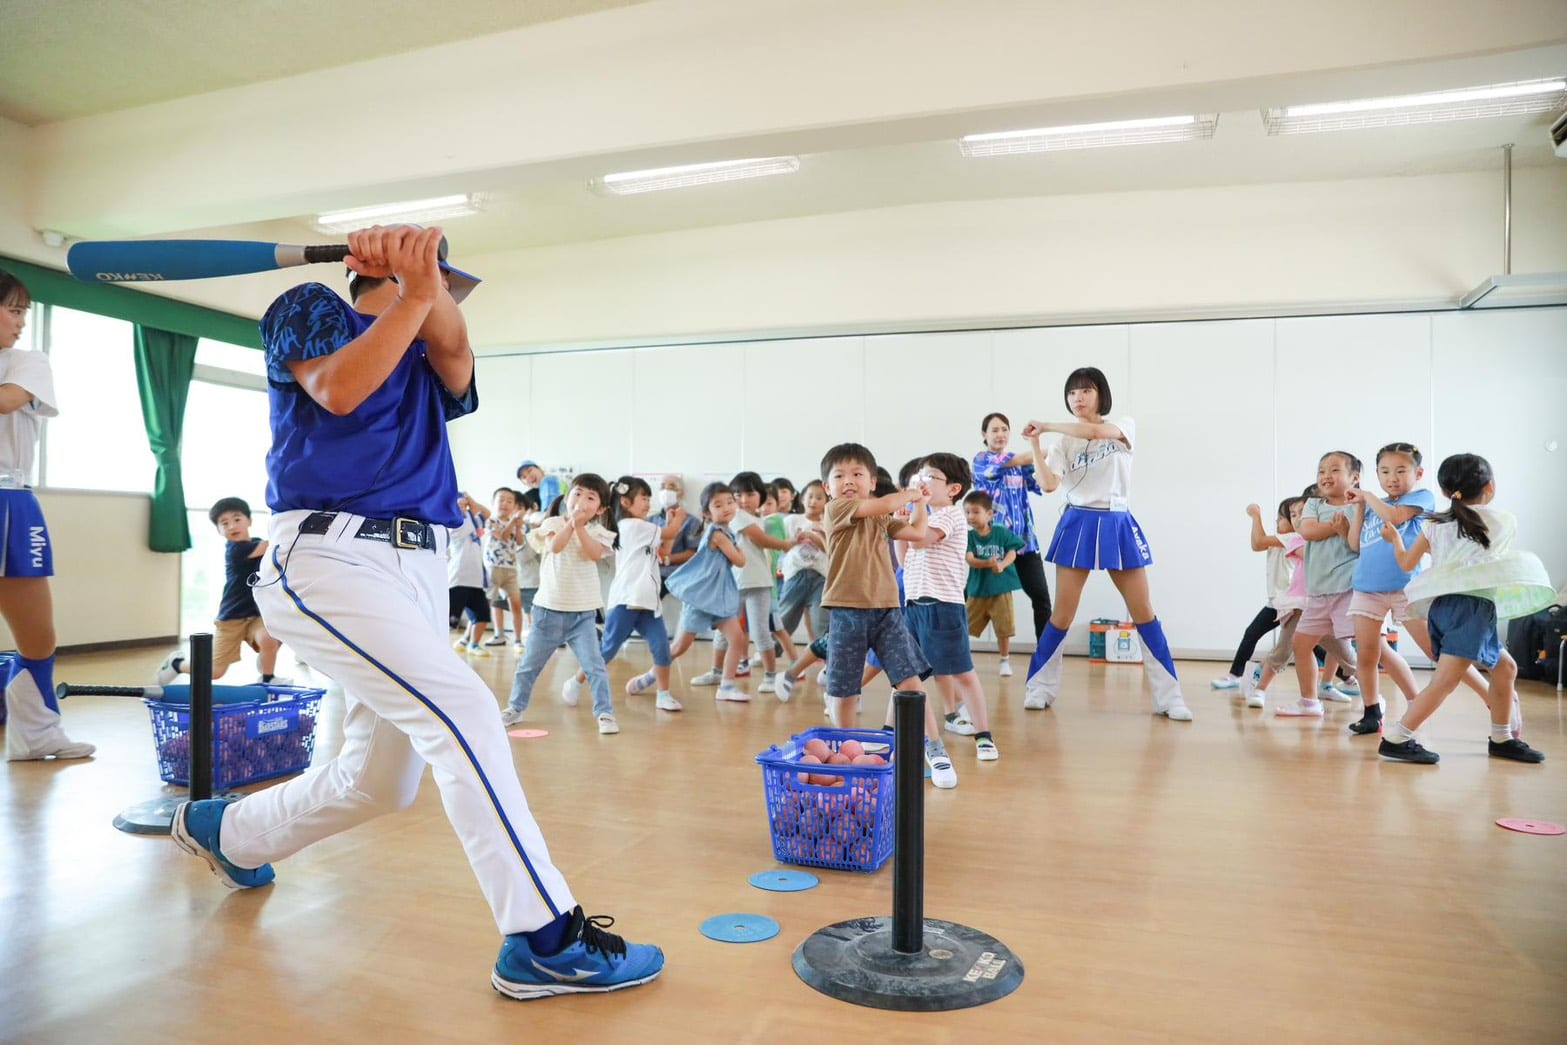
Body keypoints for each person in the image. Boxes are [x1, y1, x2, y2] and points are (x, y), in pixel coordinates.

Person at [169, 226, 662, 999]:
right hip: (331, 555)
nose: (445, 309)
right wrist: (413, 288)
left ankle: (228, 832)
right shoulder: (311, 305)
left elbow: (457, 353)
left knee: (380, 779)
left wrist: (420, 292)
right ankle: (543, 935)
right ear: (385, 282)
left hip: (419, 569)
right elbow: (337, 388)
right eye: (437, 290)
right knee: (464, 709)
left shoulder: (428, 357)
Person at [1020, 368, 1192, 721]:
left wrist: (1048, 425)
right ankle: (1039, 688)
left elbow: (1097, 431)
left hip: (1117, 520)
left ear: (1100, 394)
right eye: (1072, 393)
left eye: (1085, 391)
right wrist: (1036, 445)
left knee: (1143, 612)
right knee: (1062, 614)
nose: (1078, 398)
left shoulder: (1122, 425)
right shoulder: (1063, 443)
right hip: (1078, 521)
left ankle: (1169, 697)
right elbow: (1049, 483)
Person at [1376, 453, 1553, 764]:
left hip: (1444, 608)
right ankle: (1397, 738)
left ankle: (1501, 738)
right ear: (1490, 487)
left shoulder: (1433, 525)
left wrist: (1395, 540)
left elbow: (1406, 563)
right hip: (1470, 609)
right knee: (1445, 681)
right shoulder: (1503, 520)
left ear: (1445, 492)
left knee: (1505, 667)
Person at [815, 442, 957, 788]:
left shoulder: (880, 517)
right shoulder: (838, 509)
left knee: (910, 682)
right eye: (839, 476)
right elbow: (885, 504)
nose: (848, 481)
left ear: (872, 479)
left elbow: (918, 533)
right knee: (845, 688)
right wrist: (912, 492)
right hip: (847, 610)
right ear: (827, 488)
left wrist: (921, 504)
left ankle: (934, 748)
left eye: (857, 474)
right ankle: (845, 752)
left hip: (888, 611)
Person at [0, 268, 94, 761]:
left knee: (37, 636)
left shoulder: (27, 361)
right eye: (12, 310)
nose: (20, 322)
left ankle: (35, 733)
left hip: (9, 501)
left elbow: (6, 402)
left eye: (23, 312)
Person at [502, 474, 620, 733]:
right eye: (577, 494)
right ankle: (516, 707)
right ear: (567, 498)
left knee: (594, 667)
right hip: (547, 612)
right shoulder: (553, 522)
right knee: (529, 667)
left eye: (590, 497)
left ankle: (605, 713)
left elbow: (593, 554)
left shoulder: (599, 531)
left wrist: (579, 527)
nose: (581, 501)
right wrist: (571, 525)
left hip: (582, 616)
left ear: (600, 509)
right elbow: (555, 547)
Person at [899, 453, 997, 761]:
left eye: (929, 477)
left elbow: (918, 540)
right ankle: (894, 733)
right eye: (920, 476)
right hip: (914, 605)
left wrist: (913, 510)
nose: (921, 482)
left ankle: (984, 735)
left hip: (943, 606)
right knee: (907, 675)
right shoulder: (924, 514)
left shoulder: (949, 515)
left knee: (963, 674)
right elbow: (904, 557)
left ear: (953, 489)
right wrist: (903, 520)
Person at [566, 476, 685, 712]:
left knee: (661, 647)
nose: (647, 503)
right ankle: (576, 681)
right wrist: (679, 519)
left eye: (649, 498)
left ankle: (663, 693)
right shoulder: (635, 526)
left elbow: (663, 550)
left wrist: (671, 527)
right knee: (608, 649)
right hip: (627, 600)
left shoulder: (643, 528)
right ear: (626, 501)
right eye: (644, 498)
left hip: (648, 602)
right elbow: (670, 532)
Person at [698, 471, 817, 694]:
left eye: (750, 494)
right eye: (738, 495)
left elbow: (761, 542)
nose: (743, 500)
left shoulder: (756, 519)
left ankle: (771, 675)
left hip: (757, 583)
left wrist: (789, 543)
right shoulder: (738, 516)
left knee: (761, 632)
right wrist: (788, 543)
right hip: (735, 582)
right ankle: (717, 671)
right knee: (725, 632)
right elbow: (760, 540)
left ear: (760, 495)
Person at [155, 497, 288, 685]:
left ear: (249, 521)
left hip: (256, 615)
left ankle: (267, 678)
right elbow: (272, 546)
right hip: (231, 619)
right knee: (215, 672)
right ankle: (177, 664)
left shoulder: (257, 545)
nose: (232, 526)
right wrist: (287, 529)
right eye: (224, 523)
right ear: (219, 531)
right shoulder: (236, 550)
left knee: (269, 637)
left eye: (237, 519)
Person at [1273, 451, 1364, 718]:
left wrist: (1345, 530)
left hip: (1347, 587)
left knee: (1368, 648)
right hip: (1318, 590)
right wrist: (1337, 528)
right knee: (1301, 644)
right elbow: (1307, 531)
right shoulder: (1313, 504)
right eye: (1321, 471)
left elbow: (1355, 544)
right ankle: (1309, 702)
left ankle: (1373, 701)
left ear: (1354, 478)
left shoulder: (1358, 506)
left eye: (1334, 470)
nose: (1326, 476)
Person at [666, 482, 750, 701]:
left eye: (730, 502)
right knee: (678, 648)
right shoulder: (718, 534)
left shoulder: (727, 531)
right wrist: (740, 550)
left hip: (717, 599)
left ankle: (727, 686)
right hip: (702, 598)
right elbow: (739, 561)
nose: (726, 507)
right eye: (718, 505)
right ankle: (649, 676)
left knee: (737, 639)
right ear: (707, 513)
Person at [971, 412, 1052, 638]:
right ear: (984, 435)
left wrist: (1058, 458)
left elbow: (1043, 480)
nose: (1000, 434)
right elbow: (1012, 461)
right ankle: (949, 653)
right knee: (967, 598)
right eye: (994, 430)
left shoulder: (1021, 464)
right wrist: (1059, 447)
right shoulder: (980, 460)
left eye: (1004, 429)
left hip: (1023, 543)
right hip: (992, 544)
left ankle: (1045, 655)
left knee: (1041, 598)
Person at [963, 489, 1024, 678]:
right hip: (977, 590)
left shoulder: (1000, 532)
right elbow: (970, 559)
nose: (970, 516)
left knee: (1003, 628)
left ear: (989, 514)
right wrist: (988, 563)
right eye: (967, 512)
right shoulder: (969, 537)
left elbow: (1013, 551)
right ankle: (963, 660)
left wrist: (1003, 564)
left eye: (975, 512)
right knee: (964, 625)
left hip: (1001, 589)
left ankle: (1005, 660)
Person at [775, 479, 829, 642]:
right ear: (802, 498)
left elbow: (831, 550)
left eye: (819, 498)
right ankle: (769, 651)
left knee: (821, 621)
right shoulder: (791, 520)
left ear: (827, 502)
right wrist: (795, 539)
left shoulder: (828, 524)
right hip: (795, 575)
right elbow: (781, 546)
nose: (813, 501)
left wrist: (816, 537)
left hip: (820, 576)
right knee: (784, 617)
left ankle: (825, 656)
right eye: (810, 496)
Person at [448, 491, 492, 655]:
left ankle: (474, 644)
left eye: (463, 503)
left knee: (482, 616)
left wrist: (472, 502)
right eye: (457, 504)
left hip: (476, 580)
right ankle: (442, 646)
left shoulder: (473, 520)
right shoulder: (453, 523)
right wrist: (466, 509)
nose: (461, 506)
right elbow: (462, 529)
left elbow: (487, 514)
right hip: (458, 578)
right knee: (451, 620)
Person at [482, 486, 525, 648]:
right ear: (493, 502)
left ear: (514, 505)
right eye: (501, 500)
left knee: (516, 604)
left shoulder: (515, 523)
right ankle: (473, 637)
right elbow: (502, 537)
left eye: (509, 501)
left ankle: (518, 640)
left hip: (511, 569)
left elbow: (520, 542)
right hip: (493, 568)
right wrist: (513, 522)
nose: (505, 504)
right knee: (486, 603)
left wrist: (518, 526)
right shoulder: (491, 521)